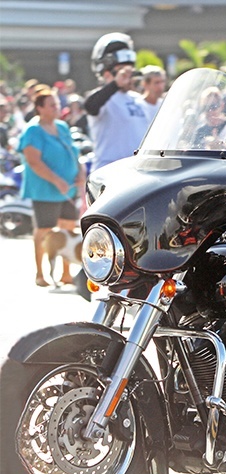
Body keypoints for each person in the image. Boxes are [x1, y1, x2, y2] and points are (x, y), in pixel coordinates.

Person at [17, 89, 85, 287]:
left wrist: (80, 173)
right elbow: (33, 161)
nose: (57, 108)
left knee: (68, 227)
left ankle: (66, 273)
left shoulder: (62, 127)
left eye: (57, 104)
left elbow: (74, 153)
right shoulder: (33, 131)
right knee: (44, 230)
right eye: (52, 105)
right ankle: (41, 274)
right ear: (39, 108)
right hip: (45, 190)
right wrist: (56, 180)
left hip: (69, 189)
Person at [85, 32, 149, 172]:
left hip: (136, 171)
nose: (127, 77)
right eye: (121, 72)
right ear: (107, 74)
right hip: (109, 171)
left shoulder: (138, 99)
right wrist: (115, 84)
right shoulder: (104, 98)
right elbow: (90, 106)